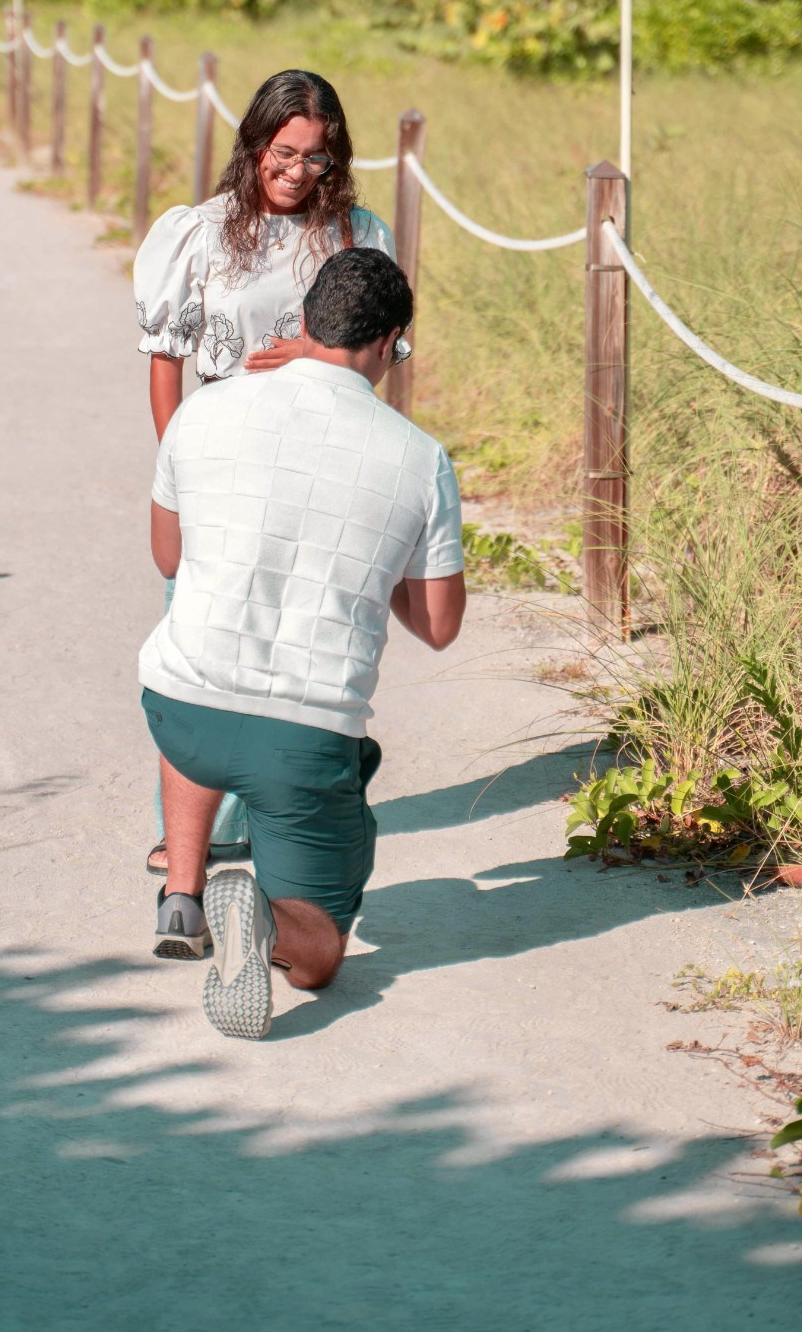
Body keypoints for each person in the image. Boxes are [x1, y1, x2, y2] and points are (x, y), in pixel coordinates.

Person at [139, 246, 466, 1039]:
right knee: (321, 957)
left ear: (305, 322)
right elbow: (439, 627)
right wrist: (376, 559)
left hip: (177, 709)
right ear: (390, 342)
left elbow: (170, 559)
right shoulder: (421, 460)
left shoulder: (202, 412)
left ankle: (183, 890)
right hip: (305, 735)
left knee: (200, 658)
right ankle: (270, 927)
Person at [133, 70, 395, 876]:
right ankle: (190, 838)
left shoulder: (355, 233)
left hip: (322, 463)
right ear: (254, 144)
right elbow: (165, 361)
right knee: (202, 639)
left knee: (295, 635)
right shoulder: (199, 233)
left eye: (318, 158)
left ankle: (263, 818)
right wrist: (180, 464)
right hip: (222, 457)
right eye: (284, 152)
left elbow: (381, 363)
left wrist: (315, 354)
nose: (298, 172)